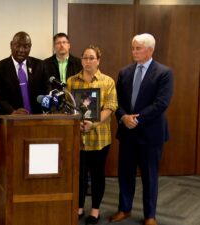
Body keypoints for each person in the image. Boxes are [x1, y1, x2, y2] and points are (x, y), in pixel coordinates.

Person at [109, 33, 173, 225]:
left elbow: (161, 103)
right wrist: (123, 117)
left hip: (151, 134)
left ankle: (150, 216)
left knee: (150, 176)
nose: (133, 52)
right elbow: (115, 101)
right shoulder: (125, 72)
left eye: (138, 48)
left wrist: (136, 119)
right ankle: (124, 209)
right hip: (127, 133)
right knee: (125, 174)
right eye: (133, 48)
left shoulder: (164, 73)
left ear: (150, 50)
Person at [67, 45, 117, 225]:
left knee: (97, 175)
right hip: (78, 137)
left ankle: (95, 209)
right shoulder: (72, 81)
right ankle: (79, 206)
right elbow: (68, 107)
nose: (88, 61)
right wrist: (77, 122)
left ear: (98, 60)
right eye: (85, 58)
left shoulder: (107, 81)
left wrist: (93, 124)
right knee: (78, 175)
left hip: (99, 138)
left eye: (91, 58)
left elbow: (111, 107)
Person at [0, 31, 49, 115]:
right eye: (18, 46)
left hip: (36, 120)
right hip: (10, 121)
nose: (21, 50)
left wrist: (47, 108)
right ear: (11, 45)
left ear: (30, 47)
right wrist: (12, 112)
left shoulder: (40, 65)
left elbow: (47, 89)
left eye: (26, 46)